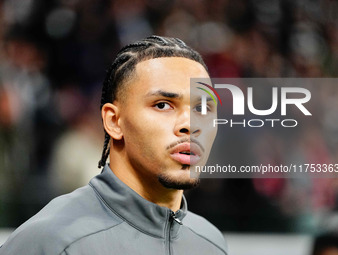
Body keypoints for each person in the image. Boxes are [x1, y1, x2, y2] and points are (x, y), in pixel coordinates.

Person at [0, 35, 228, 255]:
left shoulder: (211, 243)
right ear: (113, 121)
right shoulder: (50, 242)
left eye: (203, 108)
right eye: (162, 105)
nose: (190, 125)